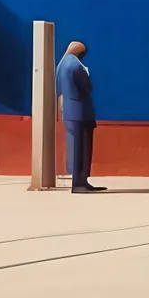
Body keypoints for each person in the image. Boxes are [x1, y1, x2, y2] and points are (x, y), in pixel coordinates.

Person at [55, 41, 104, 194]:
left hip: (69, 112)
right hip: (80, 112)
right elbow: (87, 87)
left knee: (75, 146)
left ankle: (80, 180)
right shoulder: (77, 66)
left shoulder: (61, 64)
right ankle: (79, 183)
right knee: (82, 147)